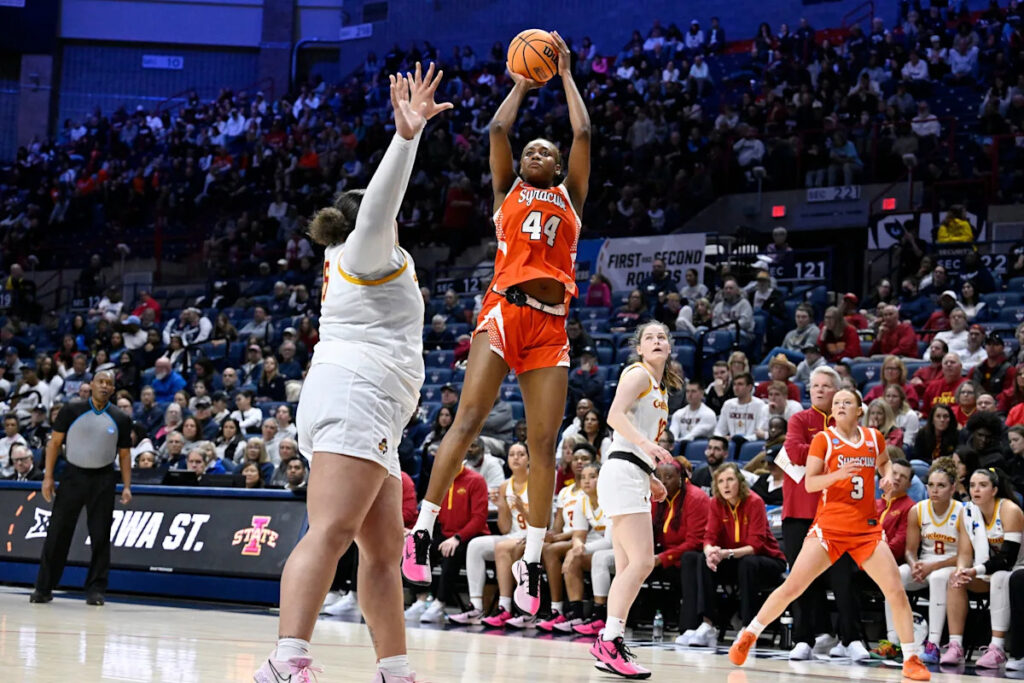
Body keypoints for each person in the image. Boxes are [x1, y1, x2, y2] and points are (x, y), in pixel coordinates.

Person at [255, 64, 450, 683]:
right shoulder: (366, 249)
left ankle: (395, 668)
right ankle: (285, 660)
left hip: (369, 403)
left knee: (384, 550)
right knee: (332, 530)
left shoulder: (358, 257)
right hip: (356, 395)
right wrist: (406, 137)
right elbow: (380, 206)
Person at [404, 33, 590, 620]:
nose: (535, 153)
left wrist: (564, 75)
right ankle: (423, 530)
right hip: (503, 312)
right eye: (530, 150)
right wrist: (521, 84)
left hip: (551, 325)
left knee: (543, 444)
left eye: (545, 151)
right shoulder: (507, 190)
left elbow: (584, 133)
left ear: (557, 166)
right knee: (467, 420)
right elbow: (497, 130)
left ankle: (532, 557)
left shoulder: (571, 197)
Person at [729, 389, 931, 681]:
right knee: (793, 587)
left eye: (846, 402)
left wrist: (886, 476)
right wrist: (837, 475)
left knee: (895, 590)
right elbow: (811, 483)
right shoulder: (824, 439)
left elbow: (885, 462)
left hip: (865, 529)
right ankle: (749, 634)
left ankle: (911, 658)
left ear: (859, 410)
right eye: (836, 403)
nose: (840, 406)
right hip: (830, 528)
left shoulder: (874, 437)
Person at [588, 321, 678, 678]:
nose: (657, 341)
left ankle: (612, 641)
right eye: (649, 337)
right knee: (642, 563)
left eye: (662, 337)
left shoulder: (660, 387)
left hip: (632, 473)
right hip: (622, 473)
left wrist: (650, 475)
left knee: (627, 568)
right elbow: (614, 416)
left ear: (669, 347)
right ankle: (609, 641)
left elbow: (632, 436)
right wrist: (647, 447)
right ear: (639, 348)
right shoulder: (638, 374)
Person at [31, 370, 133, 606]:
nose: (104, 386)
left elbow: (125, 454)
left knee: (100, 535)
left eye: (109, 383)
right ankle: (44, 588)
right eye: (100, 382)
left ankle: (96, 589)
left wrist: (127, 486)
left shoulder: (120, 418)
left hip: (104, 479)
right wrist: (48, 477)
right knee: (57, 532)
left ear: (113, 389)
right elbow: (54, 443)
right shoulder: (72, 409)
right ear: (91, 385)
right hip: (73, 476)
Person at [678, 462, 786, 649]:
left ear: (740, 482)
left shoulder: (754, 502)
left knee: (748, 563)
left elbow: (756, 545)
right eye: (721, 481)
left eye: (730, 480)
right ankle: (707, 625)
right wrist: (710, 552)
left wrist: (727, 553)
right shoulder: (716, 503)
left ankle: (748, 629)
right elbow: (709, 537)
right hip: (734, 559)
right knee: (703, 559)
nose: (726, 485)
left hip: (767, 560)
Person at [778, 366, 840, 660]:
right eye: (815, 385)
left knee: (836, 576)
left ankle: (835, 634)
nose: (819, 390)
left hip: (834, 511)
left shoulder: (845, 422)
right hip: (798, 509)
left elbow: (848, 458)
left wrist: (814, 453)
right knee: (800, 575)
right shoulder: (799, 419)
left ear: (836, 391)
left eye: (825, 385)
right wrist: (828, 453)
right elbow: (794, 452)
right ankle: (804, 639)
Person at [882, 458, 964, 664]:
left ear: (953, 488)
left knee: (937, 578)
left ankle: (933, 644)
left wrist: (932, 566)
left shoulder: (963, 511)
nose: (935, 490)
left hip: (950, 565)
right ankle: (893, 641)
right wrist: (913, 565)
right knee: (895, 575)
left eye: (941, 486)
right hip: (924, 565)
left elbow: (964, 555)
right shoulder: (917, 510)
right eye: (931, 485)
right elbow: (910, 551)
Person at [941, 469, 1024, 667]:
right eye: (972, 485)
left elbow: (1007, 560)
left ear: (994, 490)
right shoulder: (967, 512)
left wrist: (975, 570)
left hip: (1017, 569)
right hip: (986, 570)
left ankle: (997, 647)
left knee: (1000, 577)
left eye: (982, 485)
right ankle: (955, 645)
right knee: (955, 579)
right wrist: (962, 570)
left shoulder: (1009, 510)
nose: (975, 490)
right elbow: (964, 553)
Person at [449, 442, 530, 625]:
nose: (516, 458)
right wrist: (502, 507)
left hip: (534, 535)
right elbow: (504, 528)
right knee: (475, 545)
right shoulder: (505, 486)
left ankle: (505, 606)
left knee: (502, 547)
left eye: (521, 454)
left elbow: (544, 524)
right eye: (512, 454)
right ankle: (476, 607)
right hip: (513, 535)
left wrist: (522, 509)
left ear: (529, 459)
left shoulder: (536, 483)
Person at [669, 380, 716, 446]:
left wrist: (678, 442)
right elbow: (673, 433)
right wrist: (673, 441)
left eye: (693, 391)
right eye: (687, 391)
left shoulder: (709, 414)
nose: (689, 395)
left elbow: (694, 434)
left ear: (702, 393)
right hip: (681, 445)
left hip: (701, 447)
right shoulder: (678, 413)